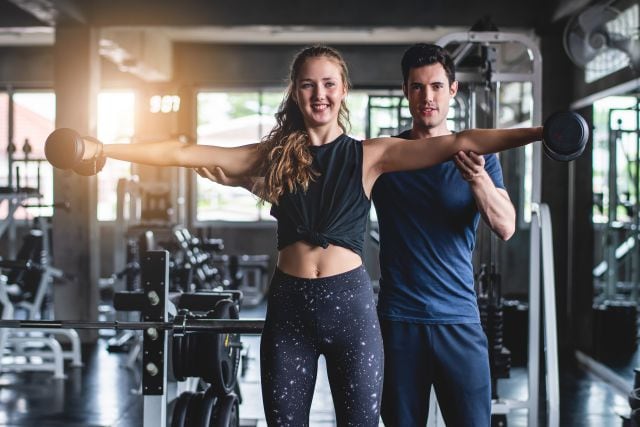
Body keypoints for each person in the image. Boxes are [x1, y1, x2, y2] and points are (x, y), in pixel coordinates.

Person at [66, 45, 541, 426]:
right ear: (295, 92)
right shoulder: (277, 158)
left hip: (365, 309)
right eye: (308, 84)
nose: (319, 94)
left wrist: (546, 132)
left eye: (329, 84)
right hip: (312, 308)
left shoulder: (375, 155)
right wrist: (104, 147)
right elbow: (185, 152)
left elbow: (464, 145)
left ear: (343, 90)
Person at [372, 43, 514, 426]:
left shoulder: (479, 157)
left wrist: (478, 178)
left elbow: (505, 226)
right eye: (417, 87)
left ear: (453, 89)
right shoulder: (385, 157)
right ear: (406, 90)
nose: (427, 97)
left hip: (459, 321)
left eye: (436, 86)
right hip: (399, 323)